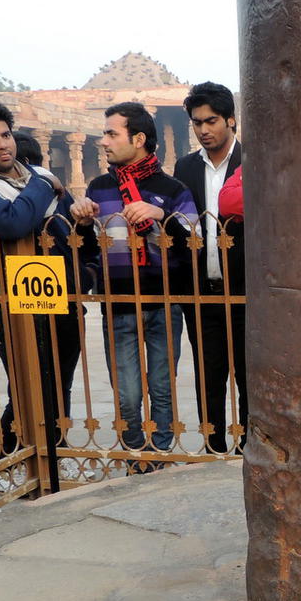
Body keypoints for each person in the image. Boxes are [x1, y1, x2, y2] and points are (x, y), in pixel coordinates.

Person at [0, 97, 98, 454]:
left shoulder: (36, 178)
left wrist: (82, 220)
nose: (2, 144)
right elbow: (12, 223)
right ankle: (14, 456)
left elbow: (71, 236)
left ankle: (53, 456)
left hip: (61, 296)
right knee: (27, 387)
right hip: (15, 301)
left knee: (60, 385)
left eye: (5, 135)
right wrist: (45, 180)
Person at [70, 102, 198, 466]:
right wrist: (80, 221)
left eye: (112, 133)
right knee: (126, 394)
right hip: (120, 304)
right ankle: (134, 455)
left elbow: (197, 239)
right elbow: (89, 249)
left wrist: (163, 214)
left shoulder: (171, 188)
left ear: (138, 138)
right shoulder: (99, 187)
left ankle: (157, 458)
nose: (104, 141)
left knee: (162, 388)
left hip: (164, 303)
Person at [174, 82, 247, 454]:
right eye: (197, 122)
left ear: (231, 120)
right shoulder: (185, 167)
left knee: (251, 375)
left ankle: (253, 447)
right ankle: (213, 444)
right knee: (208, 372)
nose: (204, 129)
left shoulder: (254, 160)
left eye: (212, 120)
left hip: (249, 289)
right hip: (203, 289)